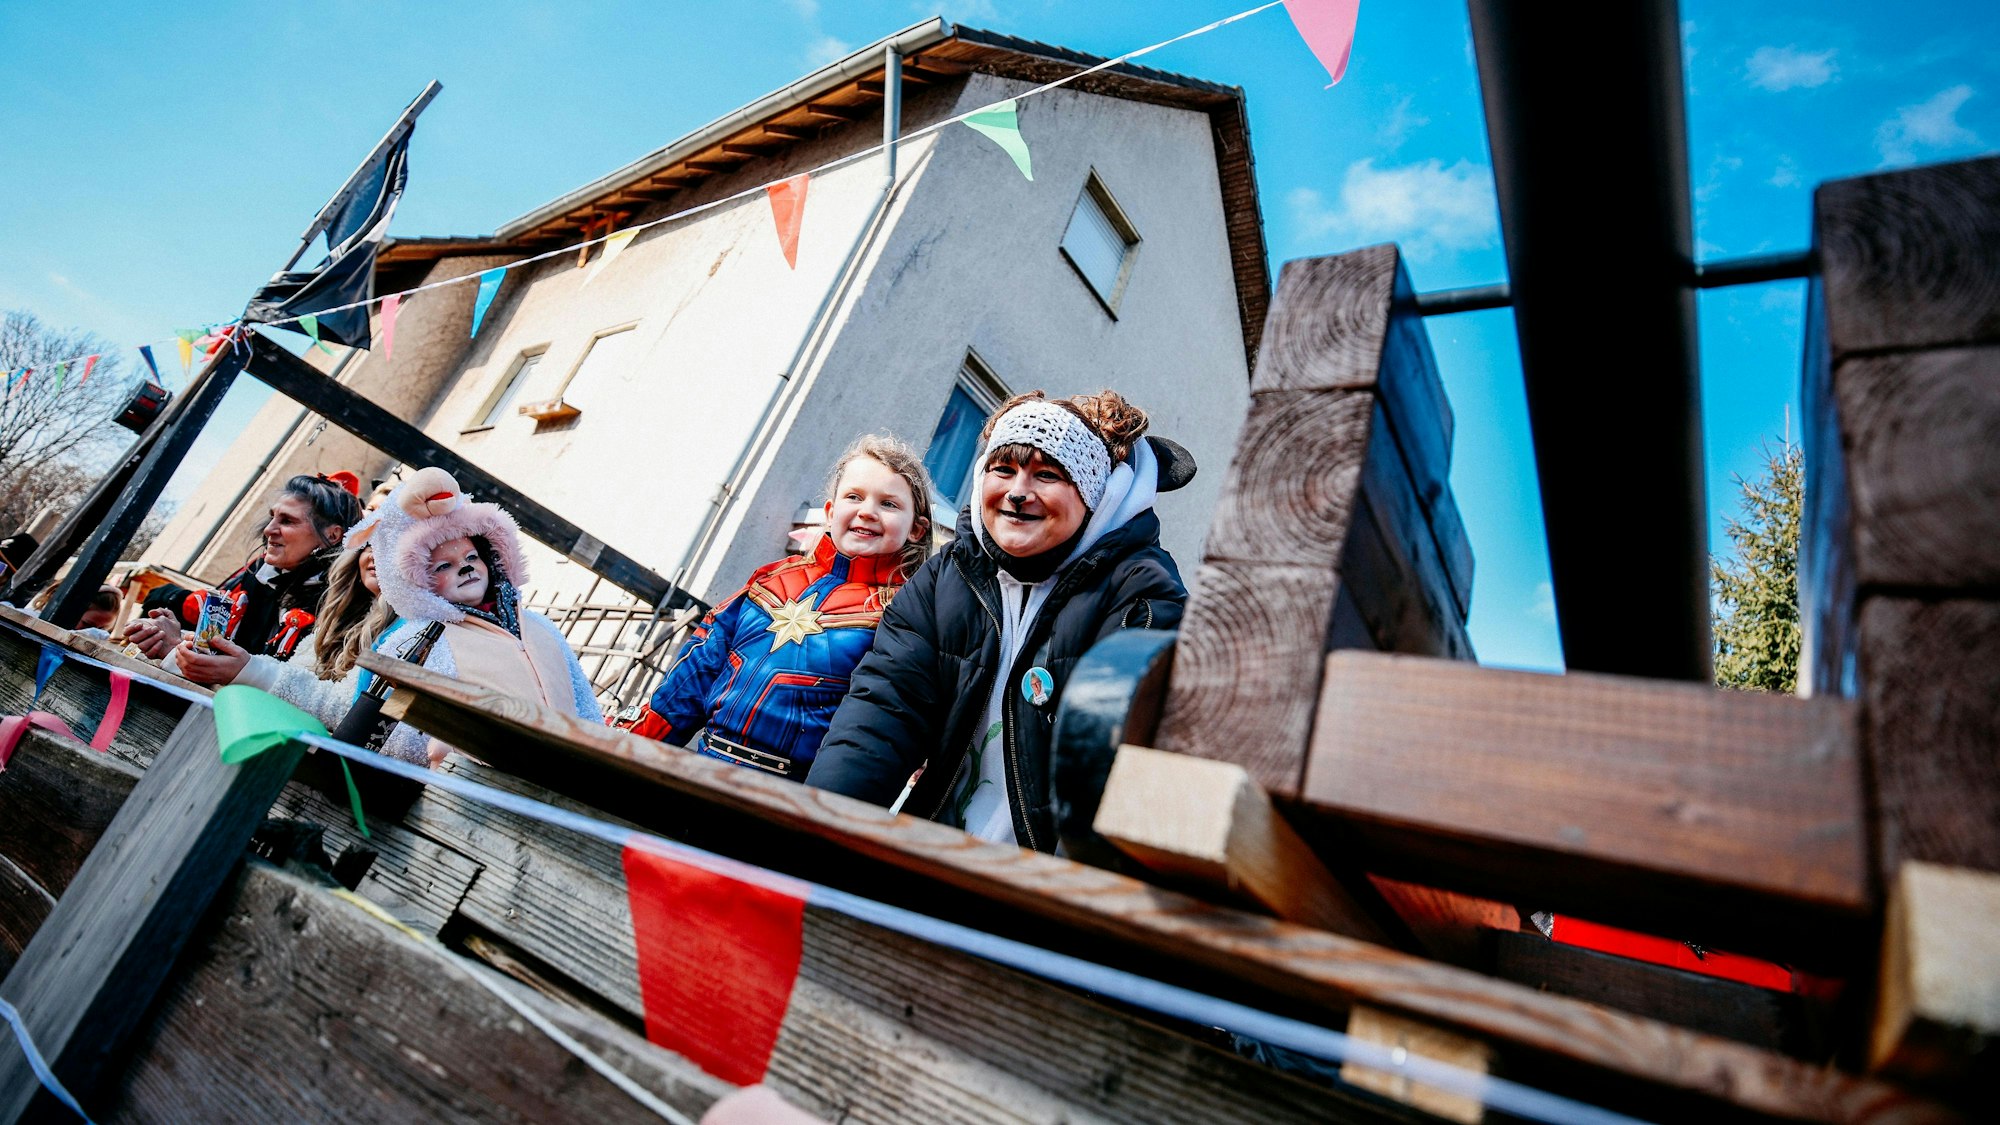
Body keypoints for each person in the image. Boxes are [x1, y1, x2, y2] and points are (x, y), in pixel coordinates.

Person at [806, 390, 1191, 852]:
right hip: (930, 850)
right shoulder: (948, 576)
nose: (1018, 492)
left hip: (1044, 884)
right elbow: (882, 712)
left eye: (1047, 475)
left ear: (1094, 498)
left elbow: (1121, 769)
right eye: (1003, 470)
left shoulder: (1142, 591)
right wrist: (822, 838)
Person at [616, 435, 934, 780]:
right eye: (853, 496)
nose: (867, 511)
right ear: (830, 511)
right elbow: (692, 678)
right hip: (699, 772)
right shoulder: (768, 581)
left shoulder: (905, 615)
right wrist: (622, 752)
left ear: (916, 529)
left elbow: (894, 723)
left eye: (889, 504)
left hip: (793, 797)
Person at [365, 466, 602, 765]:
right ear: (419, 580)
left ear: (491, 559)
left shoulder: (540, 626)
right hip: (476, 789)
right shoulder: (417, 643)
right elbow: (394, 731)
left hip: (568, 777)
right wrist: (448, 752)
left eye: (471, 557)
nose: (465, 568)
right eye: (443, 566)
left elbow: (584, 705)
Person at [126, 474, 364, 662]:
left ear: (333, 536)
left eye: (288, 521)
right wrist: (170, 632)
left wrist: (178, 644)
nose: (269, 530)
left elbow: (287, 680)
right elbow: (211, 643)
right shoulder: (258, 574)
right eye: (272, 517)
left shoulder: (339, 602)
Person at [171, 538, 397, 729]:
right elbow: (293, 678)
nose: (270, 530)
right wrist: (176, 653)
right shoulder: (339, 615)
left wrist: (244, 669)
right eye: (373, 544)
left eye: (288, 521)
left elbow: (346, 709)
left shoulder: (406, 632)